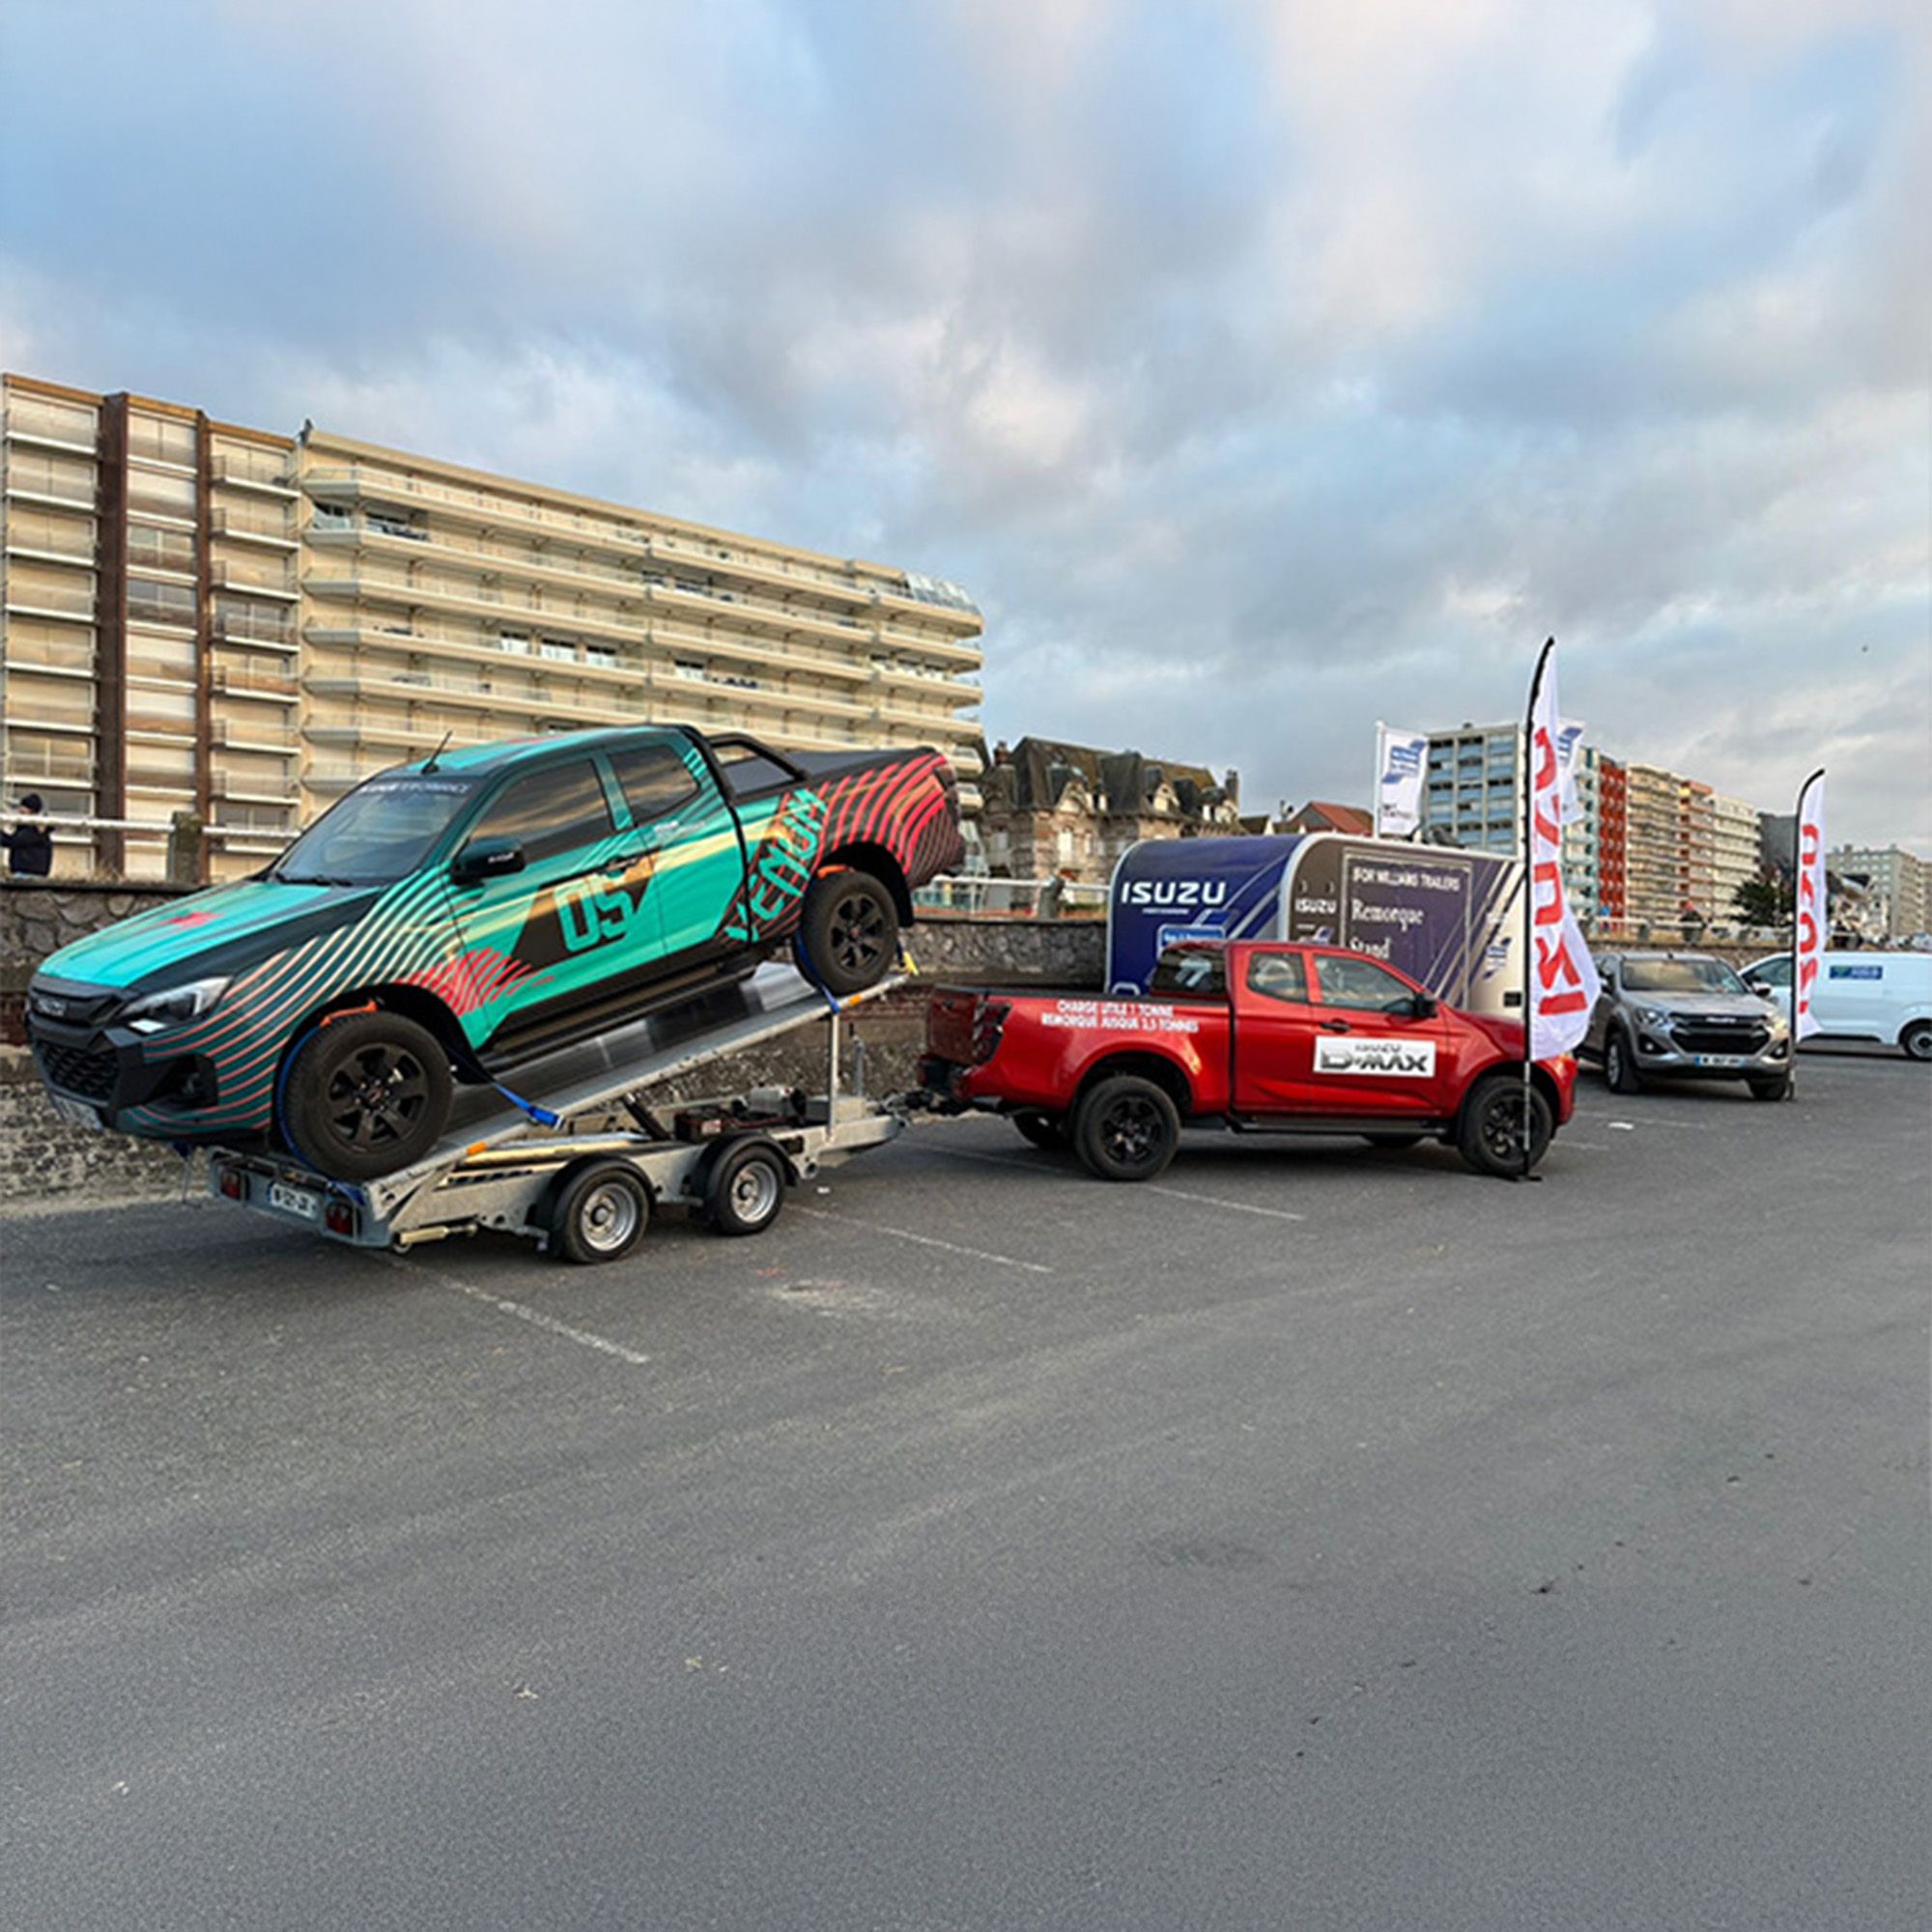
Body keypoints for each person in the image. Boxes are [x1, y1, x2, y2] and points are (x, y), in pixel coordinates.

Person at [1, 793, 54, 878]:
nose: (20, 812)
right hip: (32, 873)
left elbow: (13, 841)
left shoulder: (33, 829)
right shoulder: (37, 829)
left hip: (27, 873)